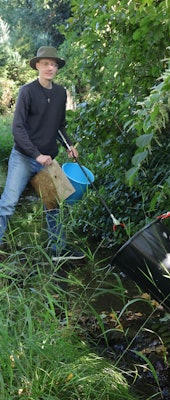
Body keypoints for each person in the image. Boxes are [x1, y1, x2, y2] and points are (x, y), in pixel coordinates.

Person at [0, 46, 85, 261]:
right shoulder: (27, 92)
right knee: (8, 203)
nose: (50, 67)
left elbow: (59, 126)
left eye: (54, 64)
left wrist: (69, 146)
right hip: (24, 158)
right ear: (37, 65)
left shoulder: (60, 93)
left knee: (53, 205)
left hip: (48, 160)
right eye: (46, 63)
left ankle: (57, 250)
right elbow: (17, 128)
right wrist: (36, 155)